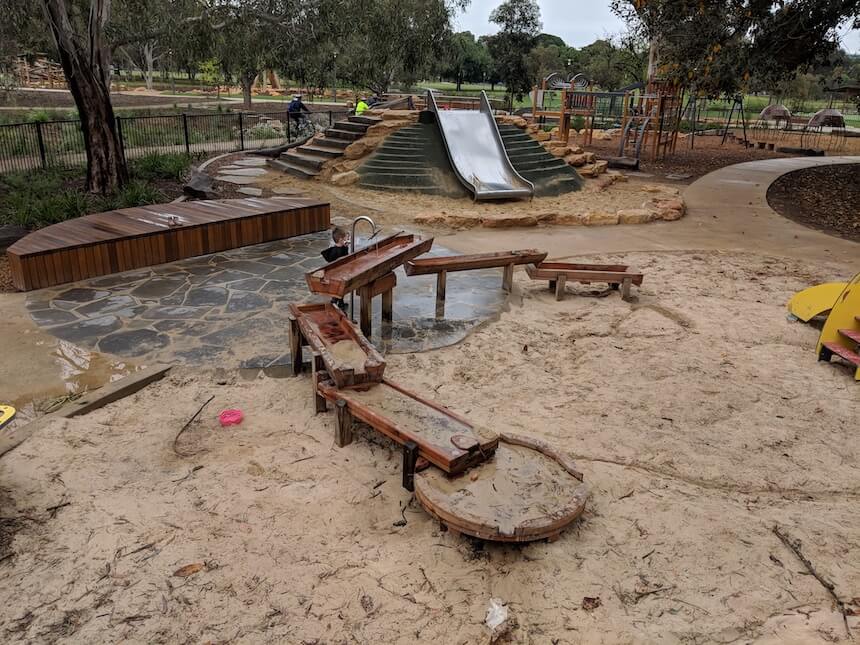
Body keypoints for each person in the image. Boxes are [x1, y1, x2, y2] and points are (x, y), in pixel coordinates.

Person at [321, 226, 350, 311]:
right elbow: (345, 258)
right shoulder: (337, 251)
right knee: (339, 289)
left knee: (341, 288)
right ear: (341, 239)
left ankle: (340, 302)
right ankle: (334, 301)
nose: (346, 240)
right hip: (337, 274)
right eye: (345, 238)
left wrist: (345, 247)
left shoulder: (336, 249)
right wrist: (345, 248)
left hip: (337, 273)